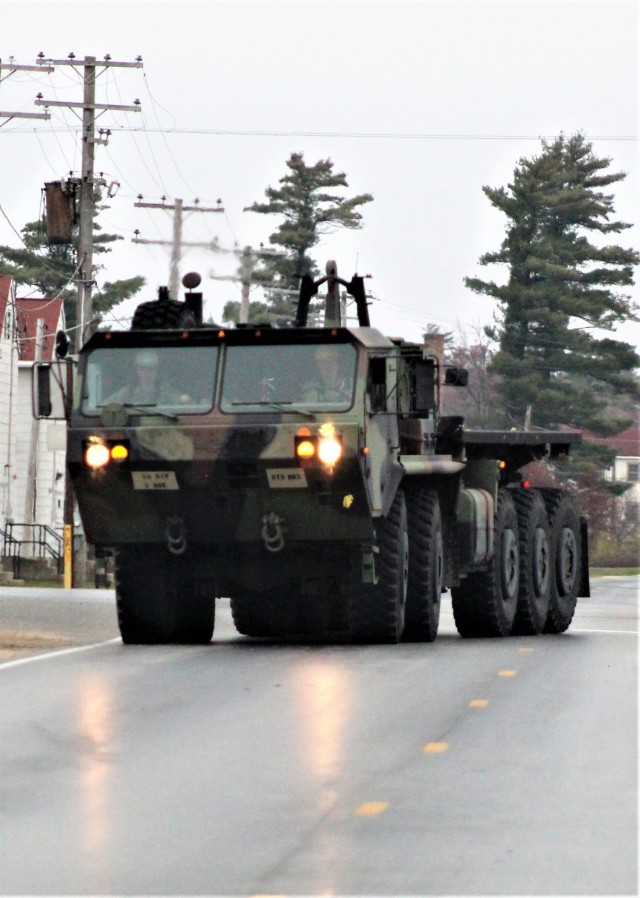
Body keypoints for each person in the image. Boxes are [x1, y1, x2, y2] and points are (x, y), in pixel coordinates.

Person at [105, 349, 189, 406]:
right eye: (143, 368)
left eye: (151, 368)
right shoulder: (127, 393)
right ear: (137, 370)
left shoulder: (166, 391)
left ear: (157, 370)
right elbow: (105, 407)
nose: (147, 372)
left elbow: (186, 403)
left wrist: (185, 400)